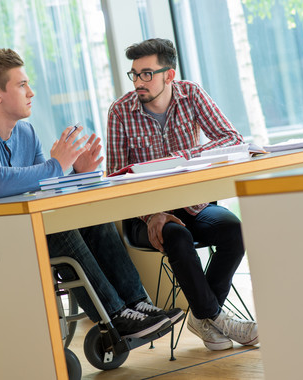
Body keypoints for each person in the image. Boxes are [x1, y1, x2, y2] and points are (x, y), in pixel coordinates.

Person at [0, 48, 184, 339]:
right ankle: (114, 316)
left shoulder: (26, 133)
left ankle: (137, 304)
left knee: (93, 218)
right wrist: (57, 166)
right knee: (59, 231)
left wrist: (77, 174)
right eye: (21, 85)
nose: (31, 92)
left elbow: (45, 187)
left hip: (11, 227)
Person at [106, 38, 258, 350]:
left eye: (146, 74)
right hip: (144, 214)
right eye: (134, 74)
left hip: (194, 205)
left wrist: (188, 157)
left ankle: (203, 317)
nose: (138, 82)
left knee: (234, 231)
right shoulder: (120, 112)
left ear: (169, 75)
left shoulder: (191, 94)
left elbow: (231, 138)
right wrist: (152, 213)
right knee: (175, 236)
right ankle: (219, 318)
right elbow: (116, 179)